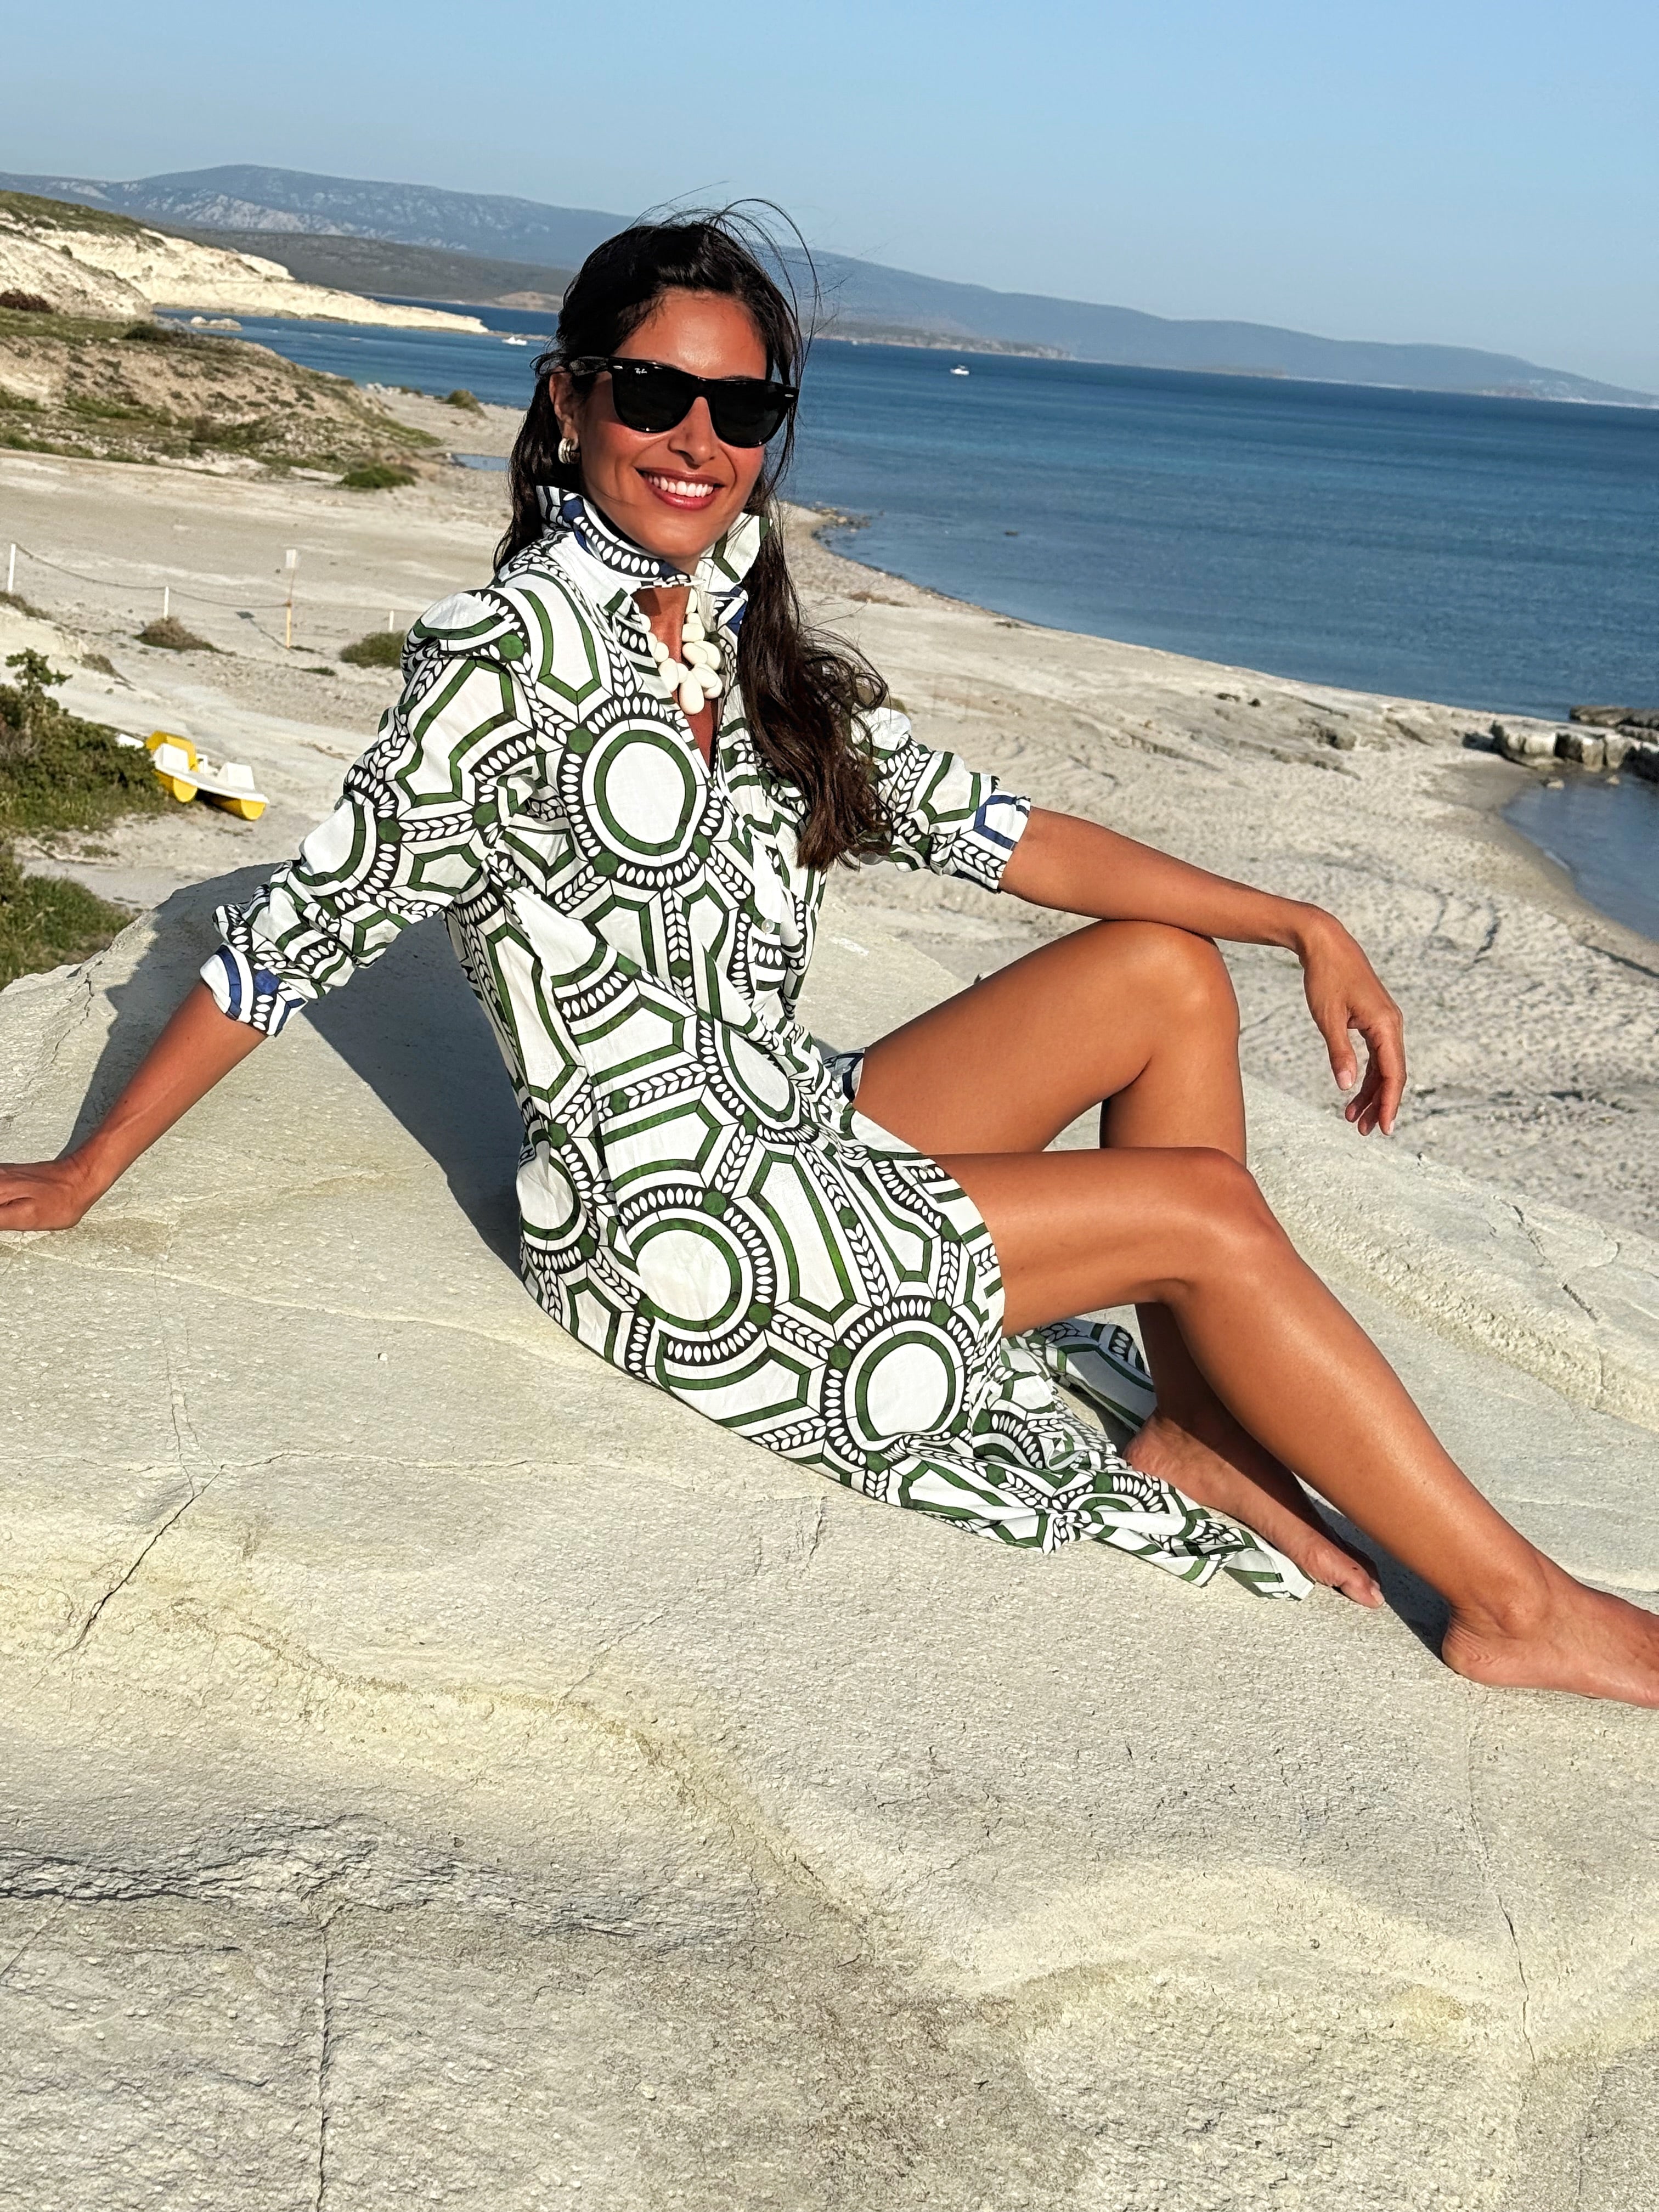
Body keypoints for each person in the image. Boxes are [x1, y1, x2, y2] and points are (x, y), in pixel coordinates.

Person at [3, 213, 1655, 1708]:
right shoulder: (501, 672)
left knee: (1163, 971)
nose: (698, 440)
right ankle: (1517, 1608)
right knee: (1203, 1215)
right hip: (672, 1223)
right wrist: (88, 1171)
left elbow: (1005, 833)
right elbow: (300, 933)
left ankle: (1199, 1429)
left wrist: (1299, 921)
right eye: (656, 394)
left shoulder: (741, 641)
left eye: (743, 410)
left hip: (789, 1123)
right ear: (568, 400)